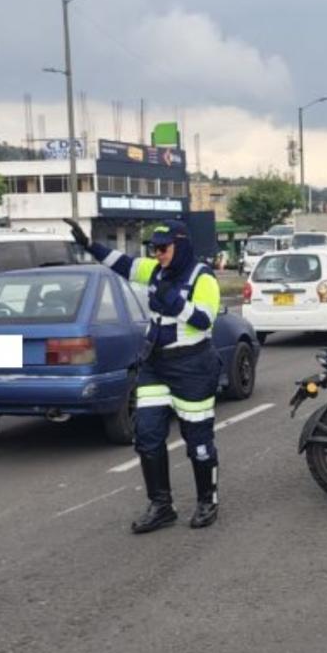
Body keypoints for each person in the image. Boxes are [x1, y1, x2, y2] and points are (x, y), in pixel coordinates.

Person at [64, 218, 222, 533]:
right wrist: (89, 245)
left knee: (198, 440)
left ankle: (208, 501)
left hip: (192, 366)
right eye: (154, 248)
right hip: (155, 364)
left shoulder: (203, 277)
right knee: (147, 436)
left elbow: (204, 320)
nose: (158, 254)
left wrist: (174, 301)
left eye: (164, 248)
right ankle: (162, 506)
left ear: (181, 246)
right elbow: (123, 264)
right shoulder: (154, 270)